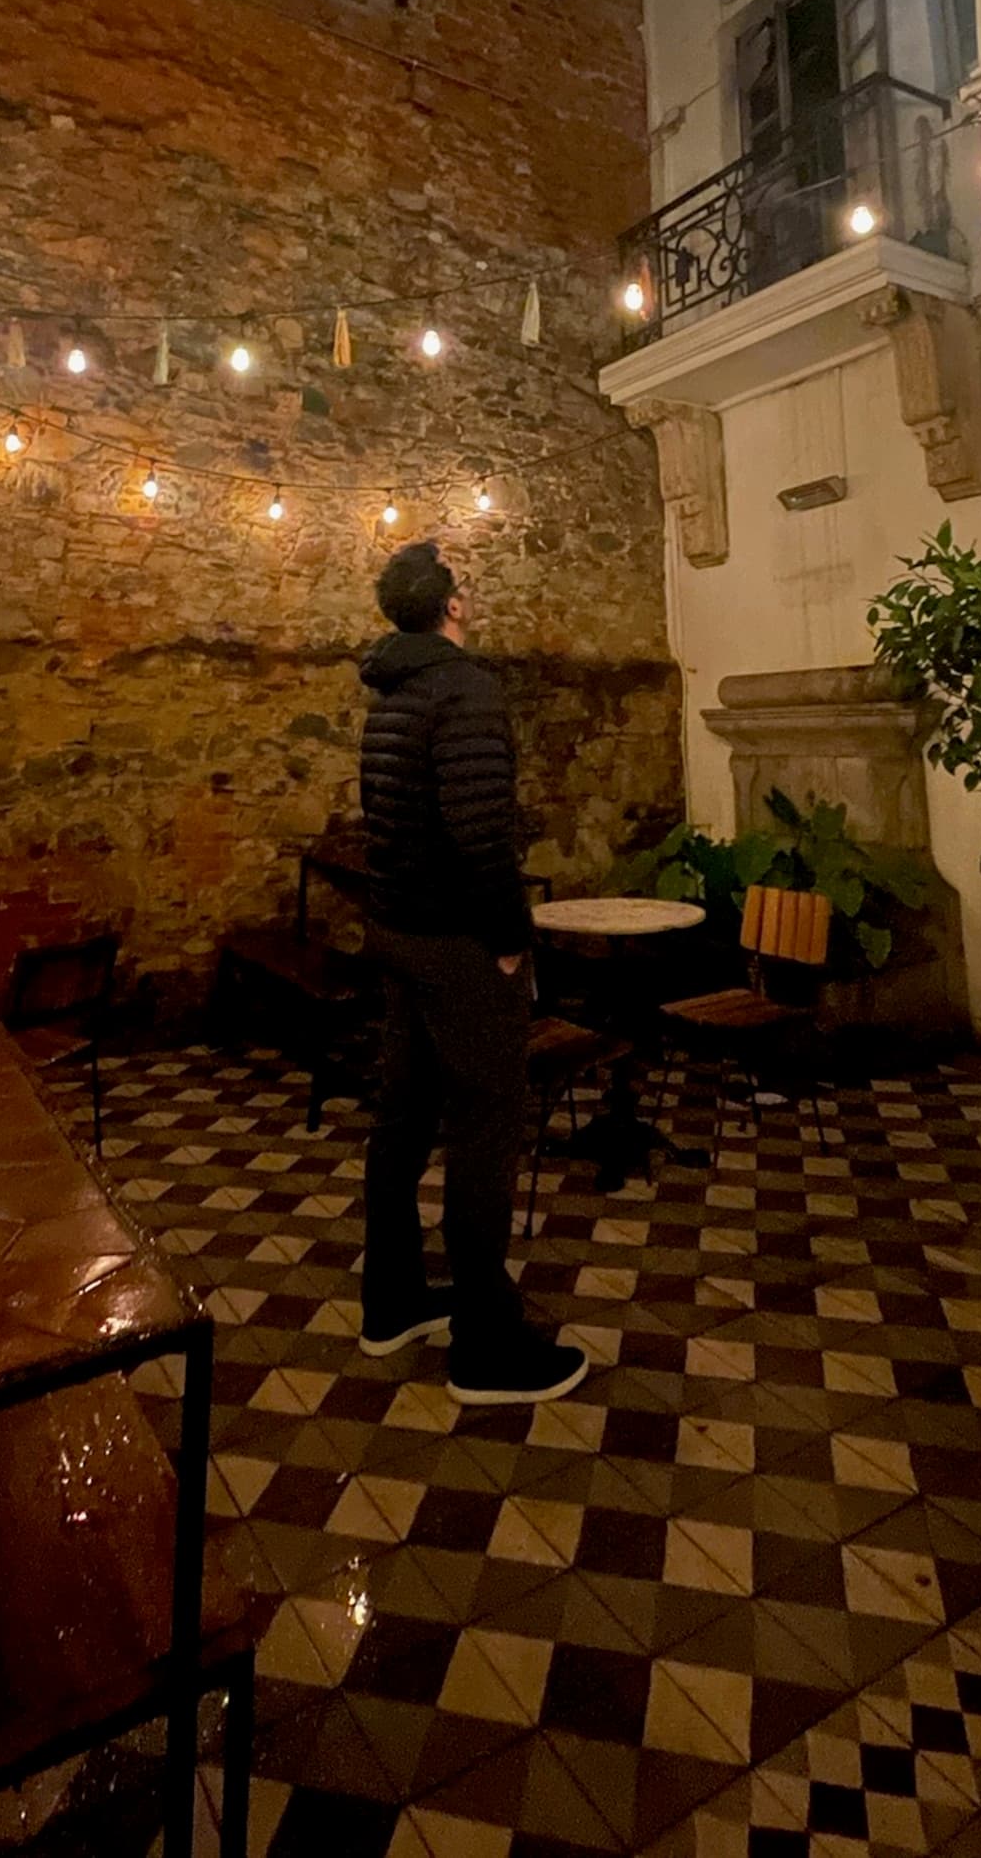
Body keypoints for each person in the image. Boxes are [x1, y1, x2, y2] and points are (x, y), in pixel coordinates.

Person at [357, 541, 587, 1407]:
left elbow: (386, 814)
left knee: (405, 1117)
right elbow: (481, 829)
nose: (471, 592)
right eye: (464, 581)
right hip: (456, 940)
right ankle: (487, 1343)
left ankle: (394, 1300)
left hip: (399, 928)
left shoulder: (390, 691)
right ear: (448, 604)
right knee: (487, 1126)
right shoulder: (465, 687)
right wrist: (507, 937)